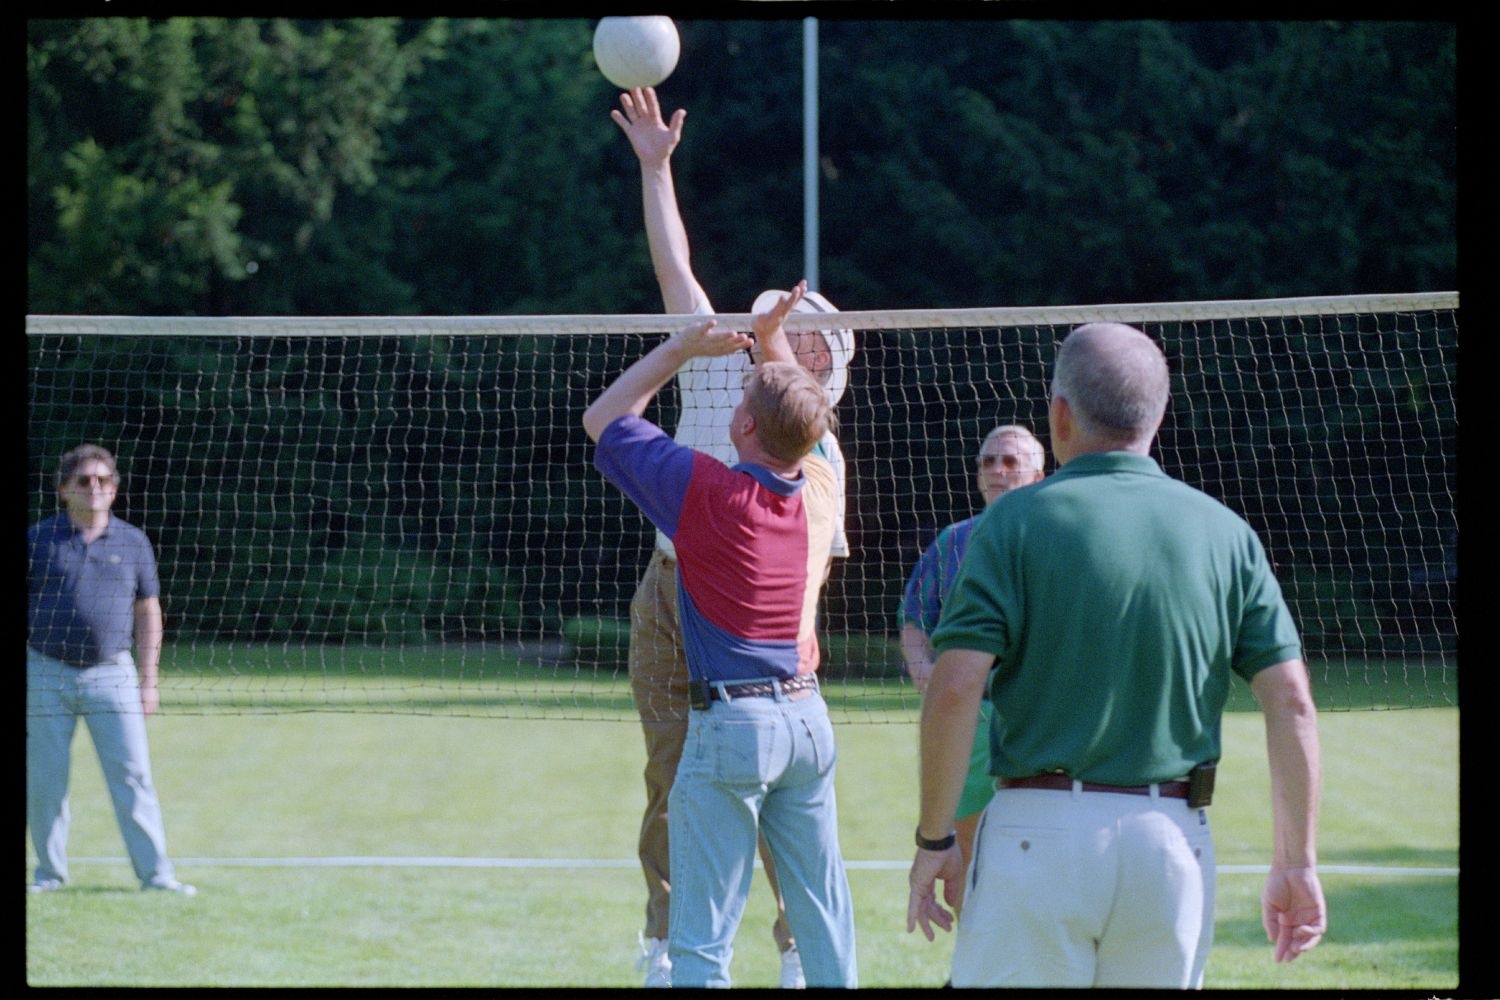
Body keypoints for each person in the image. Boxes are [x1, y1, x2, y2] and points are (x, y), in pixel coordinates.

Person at [906, 323, 1324, 988]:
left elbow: (954, 688)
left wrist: (934, 840)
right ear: (1157, 417)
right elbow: (1293, 703)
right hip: (1173, 844)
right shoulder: (1227, 533)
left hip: (1033, 836)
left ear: (1060, 415)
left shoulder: (1010, 524)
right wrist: (1296, 863)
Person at [609, 85, 855, 988]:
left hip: (763, 630)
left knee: (776, 787)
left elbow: (807, 585)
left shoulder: (812, 449)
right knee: (672, 776)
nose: (784, 336)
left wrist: (792, 650)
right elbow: (676, 269)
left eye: (805, 337)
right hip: (669, 589)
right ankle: (665, 940)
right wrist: (657, 168)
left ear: (828, 369)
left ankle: (794, 953)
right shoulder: (723, 375)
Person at [27, 444, 196, 896]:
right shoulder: (37, 540)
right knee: (45, 782)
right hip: (45, 670)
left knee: (133, 776)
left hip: (113, 674)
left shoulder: (133, 541)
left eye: (104, 480)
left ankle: (157, 877)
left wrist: (149, 681)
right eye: (84, 480)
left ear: (115, 489)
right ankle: (48, 875)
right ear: (64, 490)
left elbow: (148, 611)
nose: (95, 487)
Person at [898, 424, 1045, 910]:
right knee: (964, 860)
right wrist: (925, 672)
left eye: (1010, 461)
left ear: (1039, 473)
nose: (998, 470)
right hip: (970, 723)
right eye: (989, 461)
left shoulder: (1060, 539)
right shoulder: (952, 543)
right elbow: (915, 618)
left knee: (1039, 865)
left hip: (1039, 724)